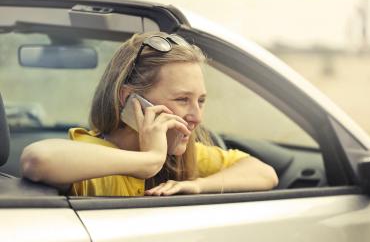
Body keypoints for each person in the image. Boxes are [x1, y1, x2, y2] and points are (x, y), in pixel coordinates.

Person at [20, 32, 278, 196]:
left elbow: (265, 173)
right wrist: (150, 160)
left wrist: (198, 185)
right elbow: (38, 160)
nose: (197, 116)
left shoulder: (180, 156)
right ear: (130, 99)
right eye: (182, 99)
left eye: (201, 100)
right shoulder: (91, 152)